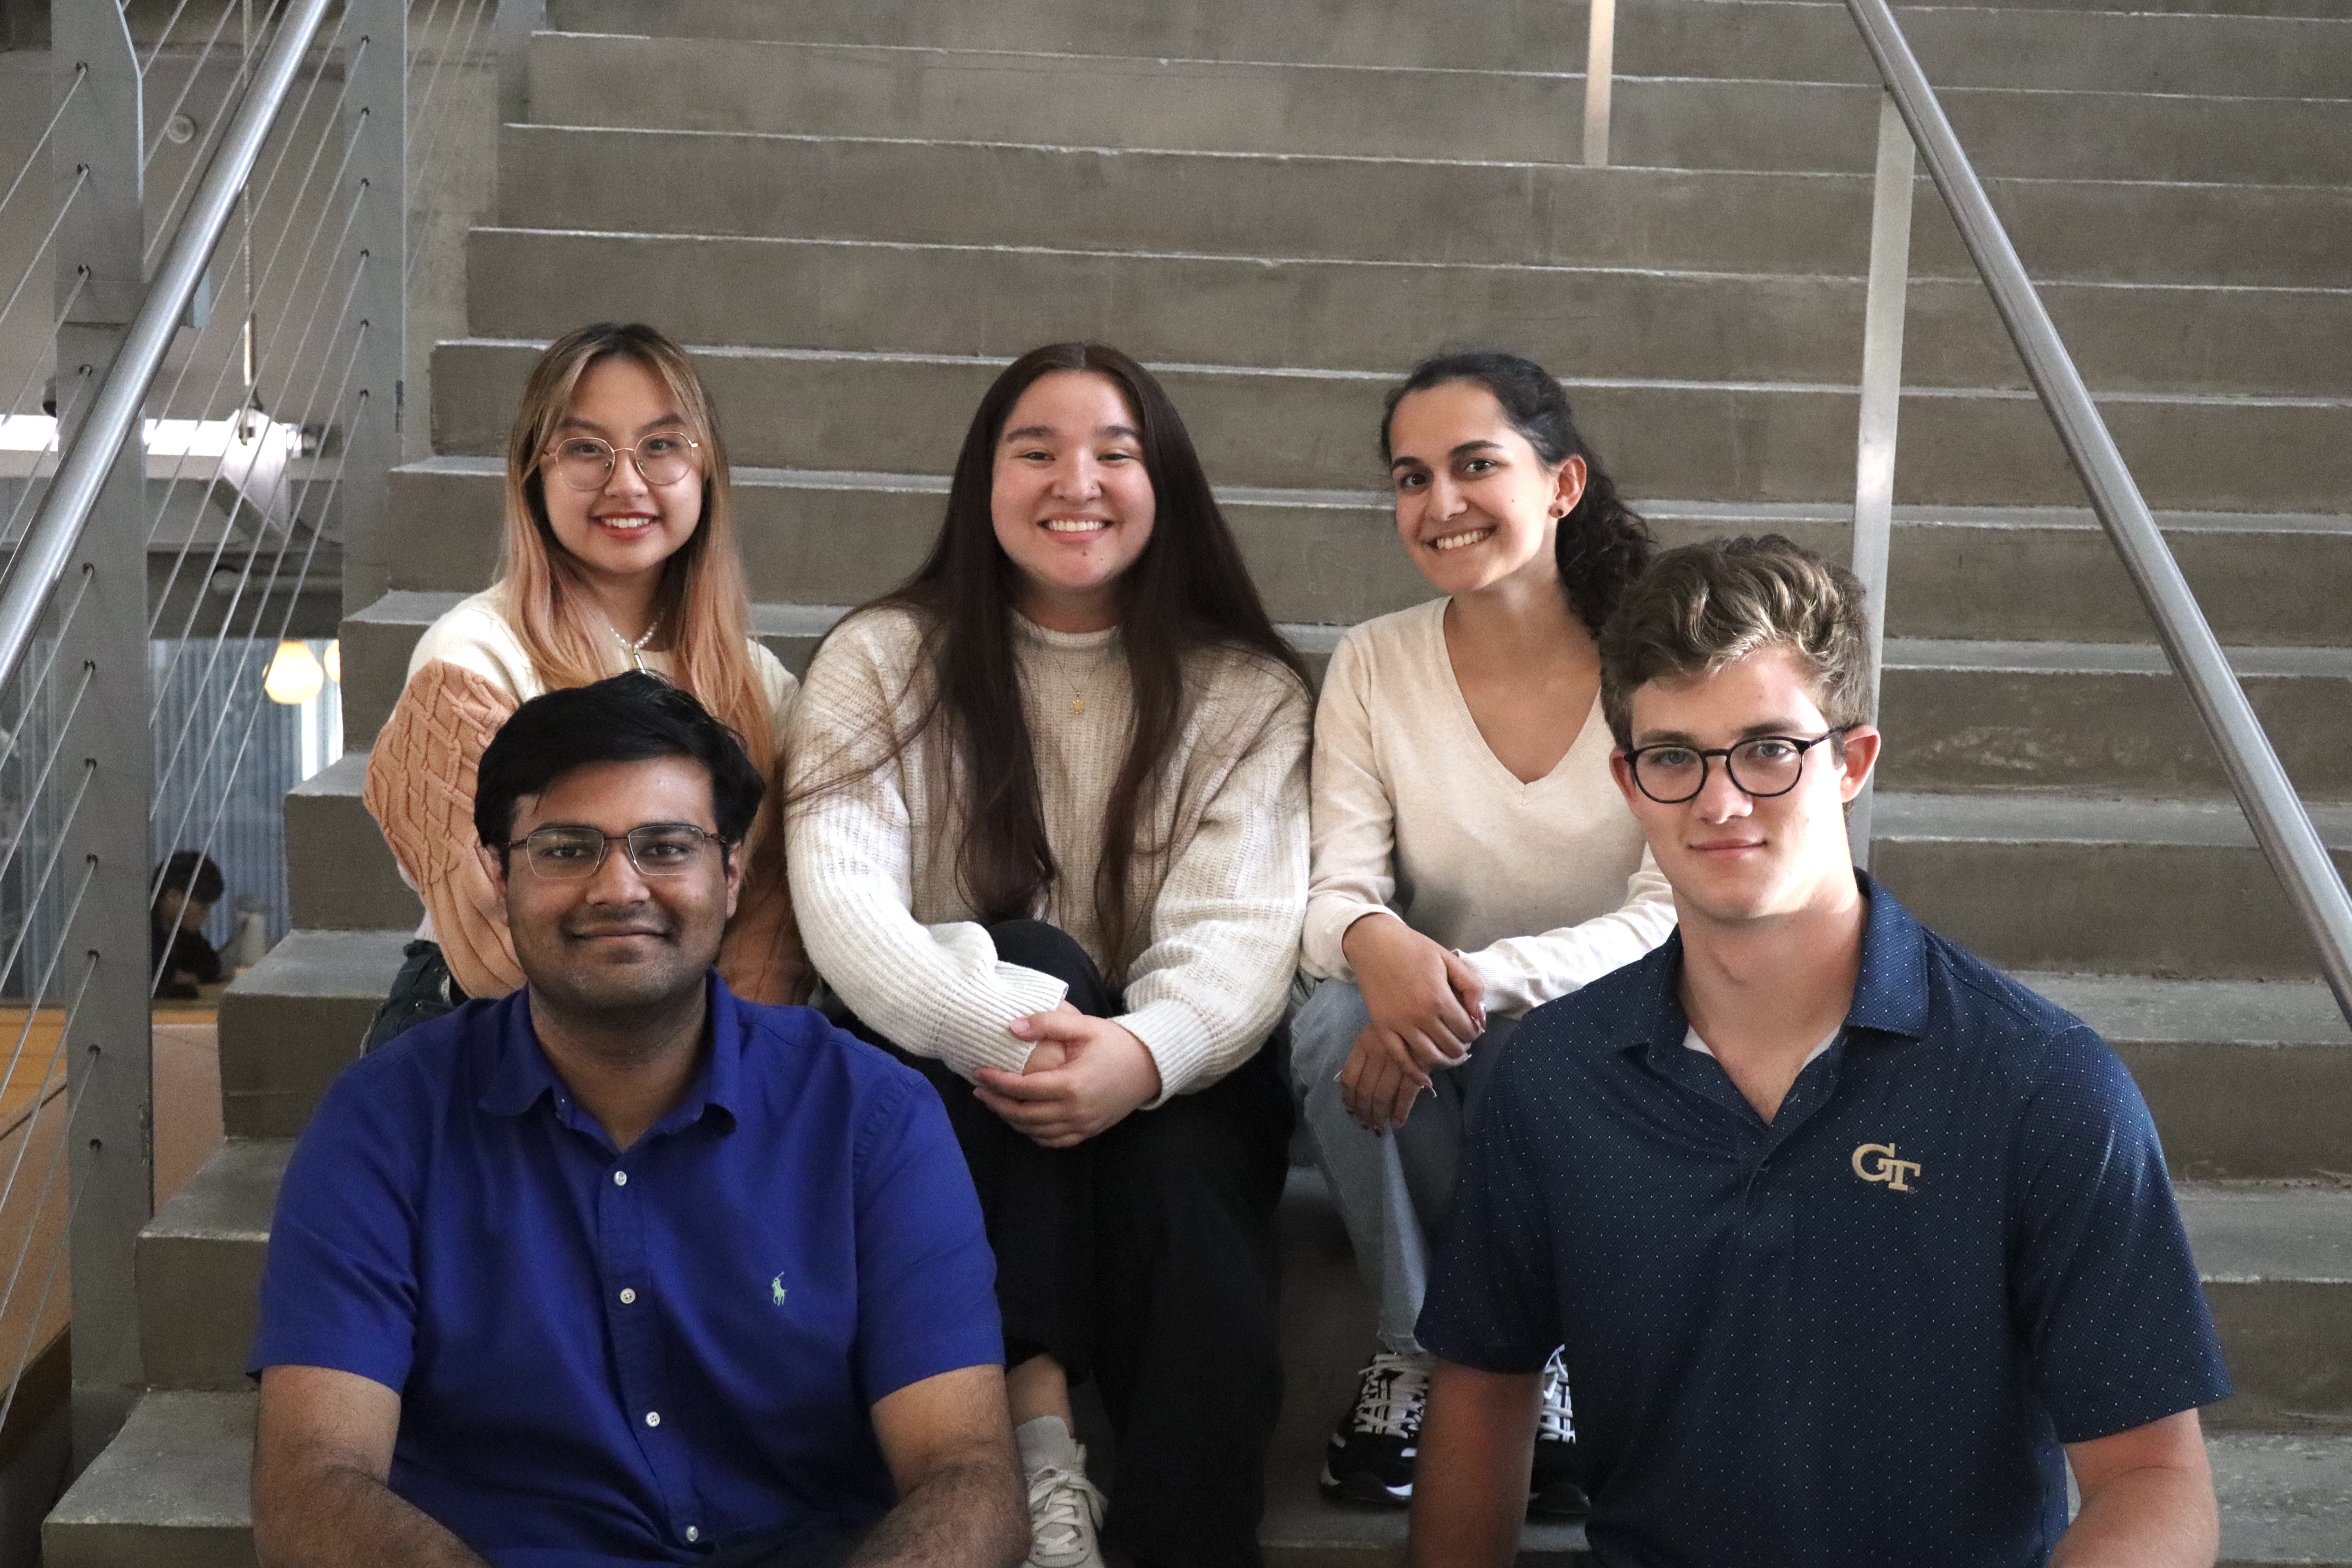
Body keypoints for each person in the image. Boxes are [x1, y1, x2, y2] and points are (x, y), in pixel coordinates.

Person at [1409, 537, 2231, 1568]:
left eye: (1768, 750)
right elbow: (1482, 1398)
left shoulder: (2042, 1086)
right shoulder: (1555, 1081)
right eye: (1674, 756)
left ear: (1850, 762)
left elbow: (2156, 1481)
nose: (1720, 803)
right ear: (1628, 779)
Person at [250, 673, 1030, 1568]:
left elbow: (966, 1472)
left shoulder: (871, 1116)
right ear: (499, 875)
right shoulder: (383, 1122)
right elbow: (312, 1483)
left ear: (732, 875)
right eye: (567, 847)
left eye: (666, 846)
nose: (619, 887)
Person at [784, 343, 1311, 1568]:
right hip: (937, 1070)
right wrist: (1011, 1033)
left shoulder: (1246, 692)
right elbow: (843, 900)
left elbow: (1240, 940)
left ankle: (1151, 1520)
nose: (1075, 480)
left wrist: (1135, 1054)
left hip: (1173, 1072)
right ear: (982, 481)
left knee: (1193, 1213)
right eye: (1036, 450)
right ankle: (1035, 1470)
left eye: (1114, 453)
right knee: (1028, 958)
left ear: (1163, 483)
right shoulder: (879, 659)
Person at [1292, 352, 1676, 1514]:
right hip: (1420, 1024)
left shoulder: (1657, 657)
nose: (1438, 503)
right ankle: (1424, 1346)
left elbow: (1670, 911)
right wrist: (1375, 945)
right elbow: (1329, 892)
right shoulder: (1371, 661)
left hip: (1597, 1016)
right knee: (1327, 1025)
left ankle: (1536, 1344)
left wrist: (1477, 977)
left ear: (1560, 484)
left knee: (1534, 1042)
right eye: (1410, 477)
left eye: (1474, 465)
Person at [362, 321, 802, 1050]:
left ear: (707, 471)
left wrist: (736, 1073)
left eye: (661, 446)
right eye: (585, 449)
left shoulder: (761, 685)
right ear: (534, 472)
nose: (625, 482)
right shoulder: (470, 655)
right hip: (487, 1022)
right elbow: (497, 929)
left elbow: (772, 926)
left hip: (700, 1041)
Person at [151, 849, 227, 998]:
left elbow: (212, 966)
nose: (207, 914)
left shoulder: (183, 932)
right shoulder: (143, 932)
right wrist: (192, 990)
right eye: (203, 905)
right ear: (173, 896)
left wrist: (184, 980)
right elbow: (154, 988)